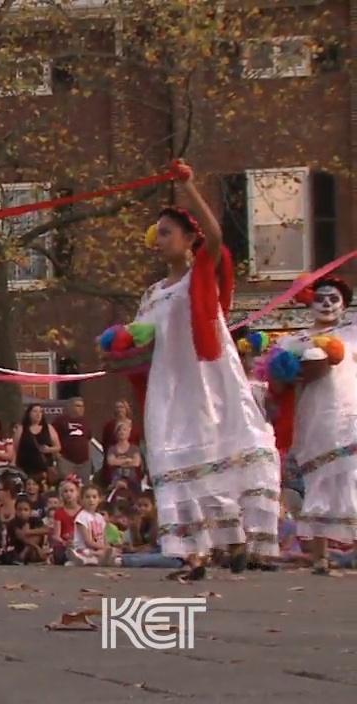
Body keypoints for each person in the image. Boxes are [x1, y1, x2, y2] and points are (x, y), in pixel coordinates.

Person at [133, 161, 279, 580]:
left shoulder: (200, 275)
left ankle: (238, 539)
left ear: (188, 240)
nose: (159, 240)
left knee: (220, 448)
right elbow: (140, 336)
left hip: (208, 379)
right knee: (173, 453)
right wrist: (119, 345)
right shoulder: (153, 293)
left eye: (167, 232)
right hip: (169, 383)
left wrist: (189, 186)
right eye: (157, 233)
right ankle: (195, 552)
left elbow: (217, 237)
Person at [273, 277, 357, 575]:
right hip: (315, 419)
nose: (326, 304)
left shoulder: (353, 334)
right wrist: (290, 372)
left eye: (333, 299)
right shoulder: (293, 341)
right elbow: (279, 385)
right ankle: (320, 556)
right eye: (320, 297)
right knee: (319, 482)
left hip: (351, 417)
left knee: (352, 480)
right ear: (310, 302)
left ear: (345, 306)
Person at [14, 404, 59, 489]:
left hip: (43, 468)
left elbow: (58, 447)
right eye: (35, 411)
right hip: (25, 468)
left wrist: (48, 449)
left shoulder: (48, 428)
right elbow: (15, 449)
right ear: (29, 413)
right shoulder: (22, 429)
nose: (38, 414)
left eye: (40, 412)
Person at [69, 485, 113, 566]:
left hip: (97, 549)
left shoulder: (100, 517)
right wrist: (105, 548)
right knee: (88, 552)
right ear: (81, 500)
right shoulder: (82, 517)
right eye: (87, 497)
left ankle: (91, 560)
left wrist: (108, 547)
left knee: (113, 554)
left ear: (99, 499)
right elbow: (88, 542)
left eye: (94, 497)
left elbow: (104, 538)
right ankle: (82, 557)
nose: (91, 500)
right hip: (84, 548)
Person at [52, 397, 93, 484]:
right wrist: (57, 456)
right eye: (78, 406)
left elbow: (88, 440)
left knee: (83, 487)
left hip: (84, 463)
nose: (81, 408)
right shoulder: (60, 420)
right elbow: (52, 438)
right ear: (70, 407)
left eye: (82, 406)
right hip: (66, 461)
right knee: (67, 486)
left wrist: (89, 457)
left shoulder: (85, 421)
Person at [102, 422, 143, 501]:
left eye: (124, 430)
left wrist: (119, 461)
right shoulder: (112, 449)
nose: (122, 432)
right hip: (116, 479)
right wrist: (128, 460)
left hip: (132, 480)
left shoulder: (134, 448)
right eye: (119, 430)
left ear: (129, 432)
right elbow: (111, 462)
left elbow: (137, 463)